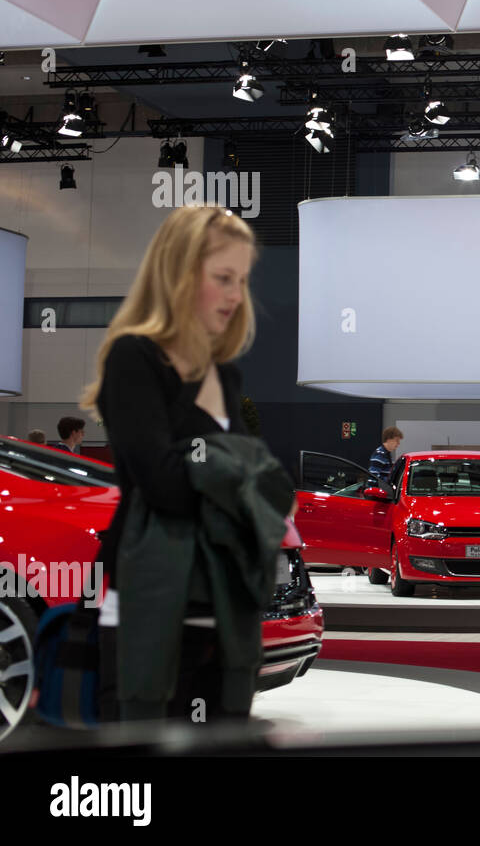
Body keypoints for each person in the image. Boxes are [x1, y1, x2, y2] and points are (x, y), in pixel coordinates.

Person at [80, 203, 295, 723]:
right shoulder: (134, 359)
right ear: (178, 272)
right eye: (223, 277)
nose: (235, 295)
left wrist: (218, 469)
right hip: (149, 608)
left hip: (228, 609)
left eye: (241, 281)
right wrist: (238, 469)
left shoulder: (226, 375)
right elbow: (165, 485)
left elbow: (275, 493)